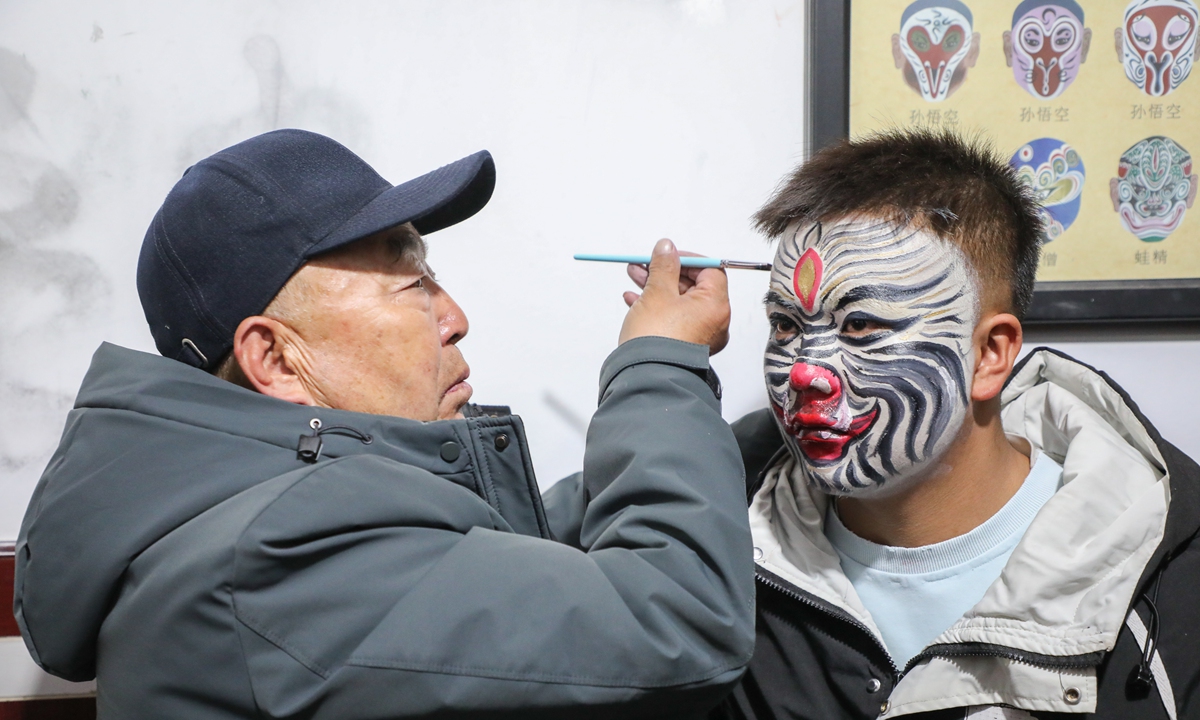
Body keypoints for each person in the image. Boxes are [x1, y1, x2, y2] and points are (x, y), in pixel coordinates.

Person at [13, 129, 756, 718]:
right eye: (412, 284)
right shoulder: (275, 561)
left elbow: (495, 560)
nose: (455, 318)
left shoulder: (249, 520)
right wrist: (660, 364)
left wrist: (753, 444)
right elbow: (680, 623)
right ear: (274, 358)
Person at [709, 130, 1200, 719]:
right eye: (786, 325)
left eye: (861, 325)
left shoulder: (1172, 582)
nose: (807, 372)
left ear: (990, 354)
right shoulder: (720, 535)